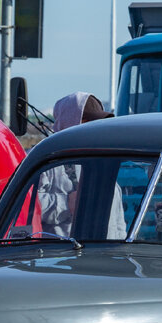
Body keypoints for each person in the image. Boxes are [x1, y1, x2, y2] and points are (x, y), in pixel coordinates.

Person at [39, 93, 126, 238]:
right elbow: (27, 207)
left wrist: (121, 253)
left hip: (106, 257)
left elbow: (119, 225)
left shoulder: (103, 164)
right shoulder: (48, 162)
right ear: (71, 123)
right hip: (60, 257)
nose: (96, 129)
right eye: (89, 122)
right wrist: (66, 203)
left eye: (99, 123)